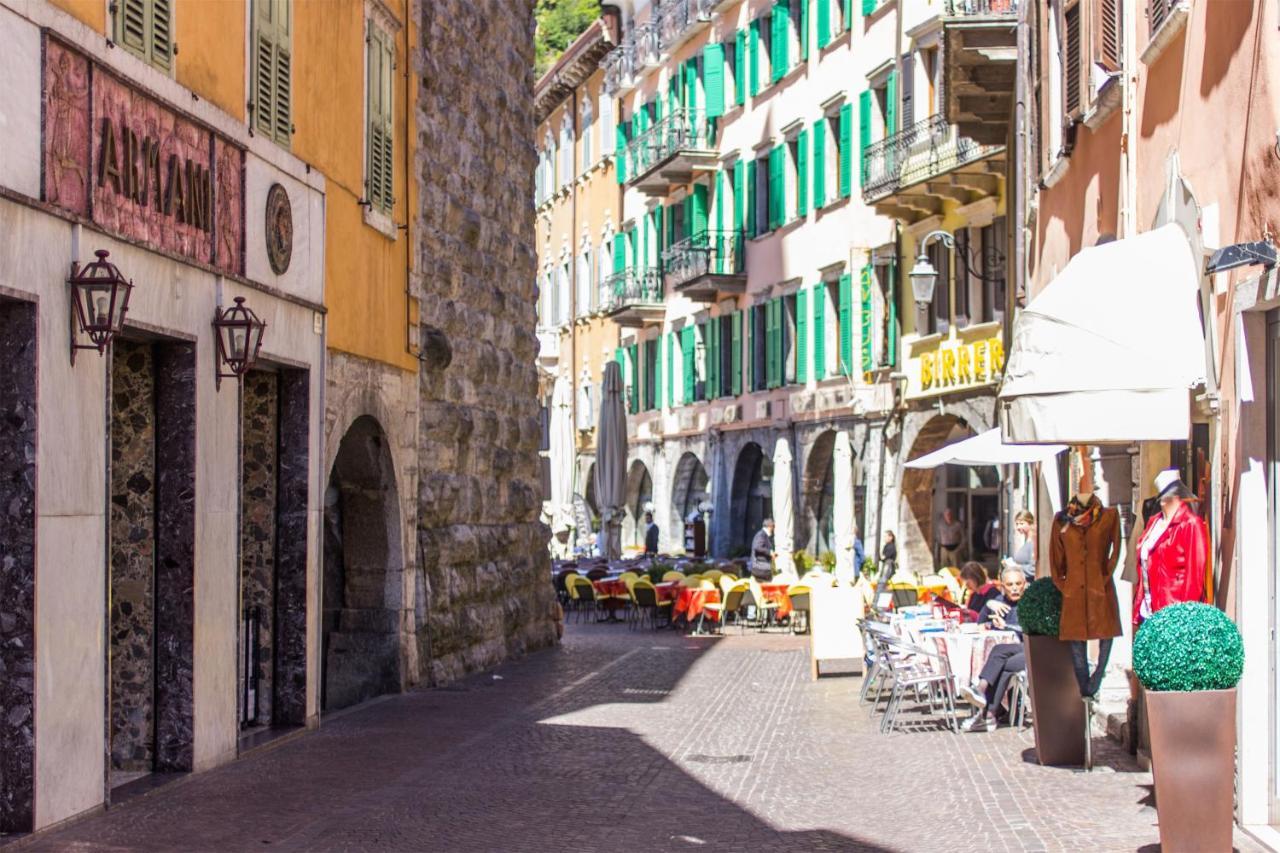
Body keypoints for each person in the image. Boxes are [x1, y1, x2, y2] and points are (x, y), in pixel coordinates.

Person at [960, 568, 1028, 731]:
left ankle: (982, 695)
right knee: (1001, 663)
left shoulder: (1030, 602)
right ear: (1003, 586)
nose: (1014, 588)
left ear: (1024, 585)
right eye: (1010, 584)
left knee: (999, 652)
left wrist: (1006, 626)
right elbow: (981, 623)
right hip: (1014, 653)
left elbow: (1030, 629)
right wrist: (989, 605)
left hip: (1031, 650)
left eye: (1018, 584)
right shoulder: (1000, 601)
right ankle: (989, 714)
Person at [1004, 510, 1037, 580]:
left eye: (1021, 524)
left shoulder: (1033, 542)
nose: (1018, 527)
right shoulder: (1026, 540)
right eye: (1017, 524)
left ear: (1030, 524)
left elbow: (1033, 568)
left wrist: (1016, 567)